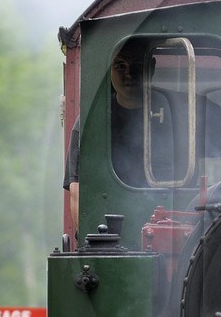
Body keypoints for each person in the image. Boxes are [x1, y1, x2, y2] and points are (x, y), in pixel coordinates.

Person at [63, 40, 175, 233]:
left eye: (137, 66)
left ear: (152, 67)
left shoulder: (178, 110)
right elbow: (77, 190)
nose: (129, 73)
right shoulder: (89, 124)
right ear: (109, 70)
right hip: (109, 233)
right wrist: (91, 243)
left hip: (169, 228)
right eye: (120, 66)